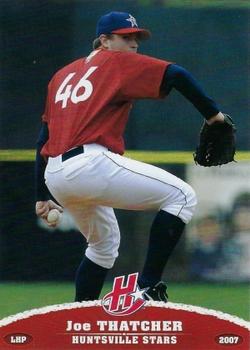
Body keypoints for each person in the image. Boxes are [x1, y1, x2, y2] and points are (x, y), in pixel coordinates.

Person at [35, 11, 227, 302]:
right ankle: (148, 286)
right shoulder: (115, 61)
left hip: (57, 176)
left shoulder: (61, 76)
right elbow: (176, 74)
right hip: (90, 163)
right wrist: (214, 117)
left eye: (136, 37)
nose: (134, 43)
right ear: (104, 40)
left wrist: (41, 193)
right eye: (126, 37)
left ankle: (78, 317)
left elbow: (43, 138)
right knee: (183, 196)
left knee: (103, 247)